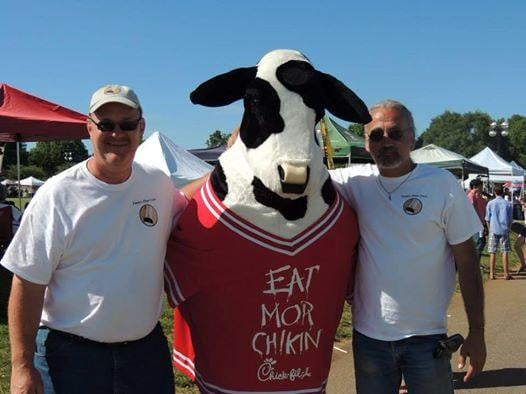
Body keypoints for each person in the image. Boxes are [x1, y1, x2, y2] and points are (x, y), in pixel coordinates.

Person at [1, 84, 186, 394]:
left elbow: (193, 201)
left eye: (127, 124)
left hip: (144, 356)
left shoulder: (157, 184)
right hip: (70, 358)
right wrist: (21, 367)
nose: (117, 133)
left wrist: (235, 158)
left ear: (141, 128)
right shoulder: (57, 194)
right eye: (106, 125)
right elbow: (27, 284)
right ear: (89, 127)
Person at [330, 100, 486, 393]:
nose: (386, 142)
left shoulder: (441, 184)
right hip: (369, 339)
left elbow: (467, 262)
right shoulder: (352, 181)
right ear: (365, 143)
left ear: (413, 138)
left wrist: (477, 332)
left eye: (395, 133)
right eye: (376, 135)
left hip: (427, 338)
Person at [485, 184, 513, 280]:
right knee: (504, 252)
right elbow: (510, 219)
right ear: (503, 192)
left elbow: (487, 218)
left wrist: (489, 229)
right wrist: (508, 228)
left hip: (493, 229)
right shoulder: (508, 204)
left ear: (494, 192)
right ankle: (506, 273)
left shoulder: (490, 203)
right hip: (504, 229)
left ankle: (492, 274)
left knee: (492, 252)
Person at [467, 178, 488, 264]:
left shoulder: (477, 197)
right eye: (480, 187)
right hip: (475, 225)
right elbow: (471, 211)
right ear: (475, 187)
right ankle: (474, 262)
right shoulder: (470, 196)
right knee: (479, 243)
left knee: (481, 242)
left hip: (479, 224)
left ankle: (476, 262)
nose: (482, 188)